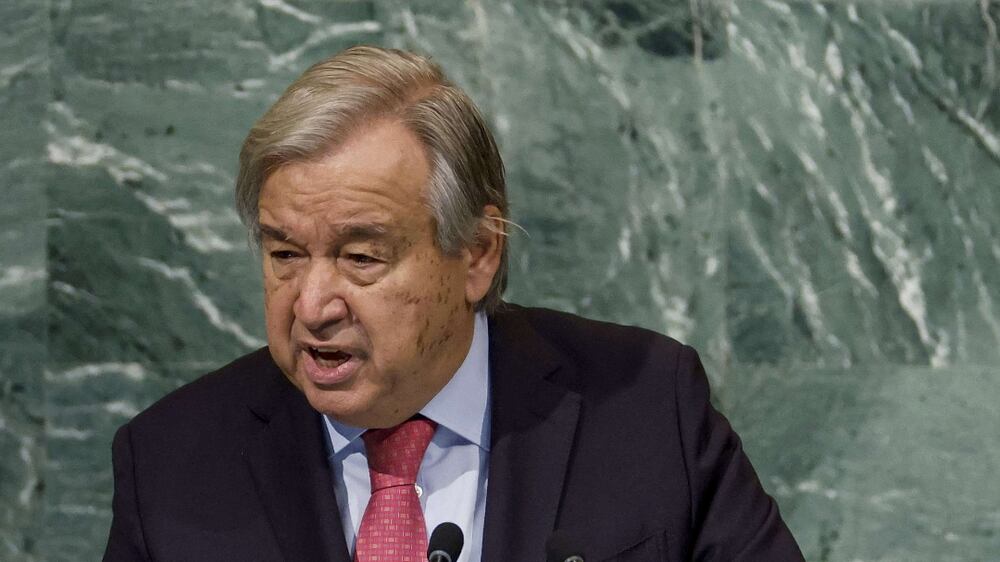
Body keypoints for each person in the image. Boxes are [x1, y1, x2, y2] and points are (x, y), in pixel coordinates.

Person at [103, 46, 804, 562]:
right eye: (285, 254)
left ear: (476, 253)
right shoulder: (170, 462)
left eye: (360, 257)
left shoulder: (647, 410)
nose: (312, 305)